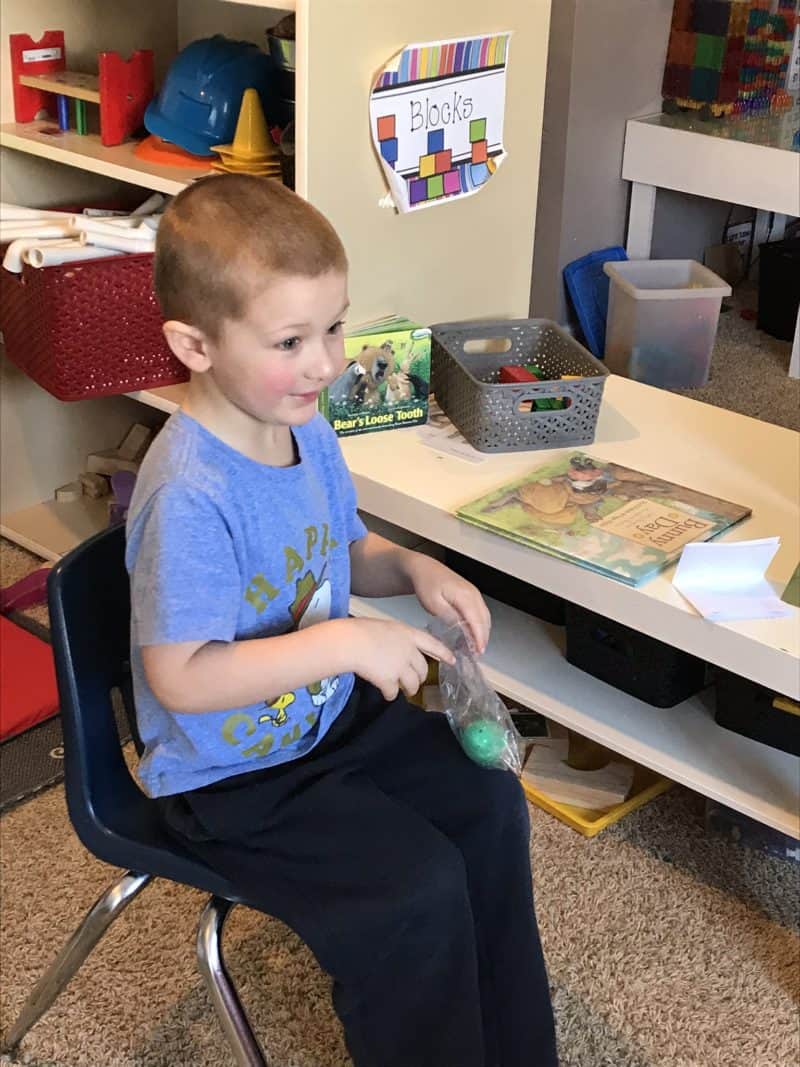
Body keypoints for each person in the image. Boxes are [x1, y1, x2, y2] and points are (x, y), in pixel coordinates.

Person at [126, 173, 557, 1067]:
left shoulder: (303, 421)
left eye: (334, 326)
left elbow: (341, 545)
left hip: (326, 721)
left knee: (486, 799)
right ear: (193, 344)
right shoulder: (189, 494)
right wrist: (341, 640)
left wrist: (412, 568)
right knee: (414, 888)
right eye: (291, 339)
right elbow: (181, 676)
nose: (326, 362)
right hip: (232, 775)